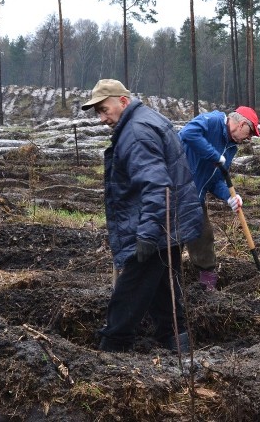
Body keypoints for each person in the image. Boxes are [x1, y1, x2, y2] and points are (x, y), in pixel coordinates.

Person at [82, 79, 203, 353]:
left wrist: (148, 232)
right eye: (98, 113)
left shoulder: (135, 132)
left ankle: (113, 344)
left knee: (130, 289)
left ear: (122, 101)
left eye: (104, 109)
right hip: (168, 221)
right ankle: (177, 341)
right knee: (163, 287)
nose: (102, 119)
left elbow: (156, 185)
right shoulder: (145, 119)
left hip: (154, 224)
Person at [178, 106, 260, 291]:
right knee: (171, 241)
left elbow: (215, 180)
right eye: (250, 132)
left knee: (204, 236)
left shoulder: (231, 147)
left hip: (195, 198)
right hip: (174, 192)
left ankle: (207, 286)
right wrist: (214, 155)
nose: (250, 138)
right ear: (241, 124)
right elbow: (187, 133)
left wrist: (229, 197)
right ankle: (166, 284)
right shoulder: (213, 120)